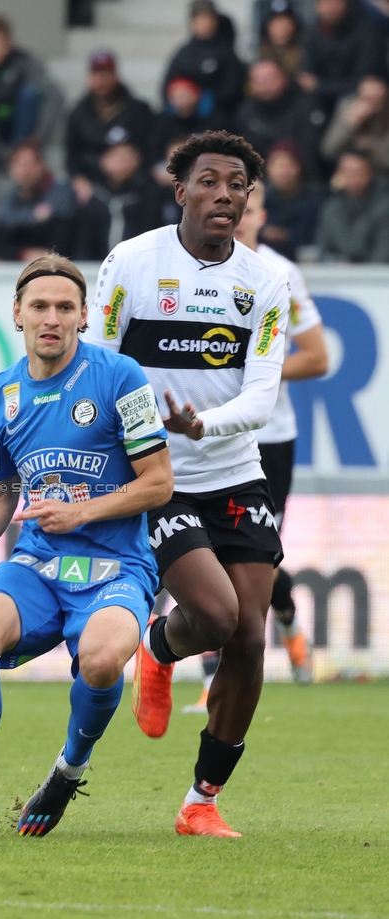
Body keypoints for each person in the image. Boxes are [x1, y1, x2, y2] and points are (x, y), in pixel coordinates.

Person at [85, 130, 290, 837]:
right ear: (182, 191)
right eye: (210, 181)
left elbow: (262, 397)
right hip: (158, 474)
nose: (225, 194)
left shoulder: (265, 283)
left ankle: (200, 801)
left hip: (233, 468)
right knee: (217, 615)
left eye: (238, 184)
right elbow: (100, 363)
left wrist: (205, 425)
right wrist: (128, 448)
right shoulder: (132, 264)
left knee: (251, 638)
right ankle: (160, 645)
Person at [0, 254, 172, 838]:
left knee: (105, 658)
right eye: (39, 306)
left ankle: (68, 769)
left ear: (85, 316)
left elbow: (159, 483)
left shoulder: (121, 377)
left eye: (65, 307)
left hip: (118, 567)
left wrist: (80, 510)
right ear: (17, 314)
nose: (51, 318)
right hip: (37, 565)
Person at [183, 179, 328, 712]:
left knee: (250, 559)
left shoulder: (280, 275)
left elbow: (318, 357)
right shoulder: (185, 268)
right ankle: (214, 675)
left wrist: (257, 377)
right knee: (205, 556)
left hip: (267, 440)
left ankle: (283, 623)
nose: (237, 213)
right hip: (201, 438)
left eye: (250, 204)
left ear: (262, 213)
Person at [0, 15, 64, 148]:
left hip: (17, 123)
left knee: (29, 93)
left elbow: (55, 94)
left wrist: (40, 137)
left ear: (8, 45)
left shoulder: (24, 61)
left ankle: (22, 151)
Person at [66, 51, 153, 186]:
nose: (102, 80)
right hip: (92, 183)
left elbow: (150, 148)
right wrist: (80, 178)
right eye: (97, 74)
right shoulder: (78, 114)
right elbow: (72, 156)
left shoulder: (138, 110)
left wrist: (130, 159)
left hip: (135, 182)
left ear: (116, 76)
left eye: (106, 74)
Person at [233, 59, 326, 181]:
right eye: (257, 79)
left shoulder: (307, 105)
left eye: (269, 78)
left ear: (284, 78)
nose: (263, 83)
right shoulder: (245, 113)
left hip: (305, 180)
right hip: (263, 181)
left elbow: (312, 150)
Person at [0, 140, 78, 261]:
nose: (26, 171)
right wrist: (24, 254)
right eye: (19, 165)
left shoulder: (60, 197)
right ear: (11, 170)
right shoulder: (8, 203)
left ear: (41, 165)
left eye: (30, 164)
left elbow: (63, 243)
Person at [299, 0, 387, 122]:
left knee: (360, 105)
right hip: (321, 98)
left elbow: (364, 81)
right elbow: (306, 78)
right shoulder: (312, 32)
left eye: (334, 3)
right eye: (324, 3)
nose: (330, 8)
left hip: (354, 96)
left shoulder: (368, 30)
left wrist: (320, 86)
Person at [161, 0, 245, 119]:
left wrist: (202, 99)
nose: (204, 24)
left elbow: (233, 90)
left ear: (215, 21)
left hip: (217, 117)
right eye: (199, 19)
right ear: (192, 22)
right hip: (182, 117)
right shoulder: (183, 53)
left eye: (207, 19)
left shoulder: (226, 53)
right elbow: (167, 87)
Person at [315, 150, 389, 261]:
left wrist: (359, 274)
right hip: (336, 274)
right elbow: (322, 248)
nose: (351, 177)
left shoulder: (384, 207)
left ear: (369, 174)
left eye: (357, 172)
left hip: (374, 275)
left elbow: (383, 253)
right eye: (346, 171)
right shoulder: (330, 208)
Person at [260, 140, 326, 260]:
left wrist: (287, 236)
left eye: (287, 165)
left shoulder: (315, 201)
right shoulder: (259, 200)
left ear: (299, 167)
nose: (283, 172)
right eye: (277, 165)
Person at [94, 142, 165, 252]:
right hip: (94, 264)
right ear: (103, 160)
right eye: (116, 156)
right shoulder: (94, 194)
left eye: (128, 156)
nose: (122, 162)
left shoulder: (149, 194)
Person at [321, 75, 389, 177]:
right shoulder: (348, 108)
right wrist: (349, 125)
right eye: (367, 99)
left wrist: (369, 145)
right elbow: (328, 150)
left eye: (377, 100)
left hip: (381, 176)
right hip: (348, 176)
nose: (372, 105)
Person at [152, 77, 229, 163]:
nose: (181, 100)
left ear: (197, 95)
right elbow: (155, 150)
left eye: (185, 95)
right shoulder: (163, 121)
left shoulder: (215, 119)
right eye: (176, 96)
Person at [258, 0, 304, 79]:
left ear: (293, 26)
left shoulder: (304, 53)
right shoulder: (259, 53)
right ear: (268, 26)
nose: (281, 27)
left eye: (285, 22)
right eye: (276, 22)